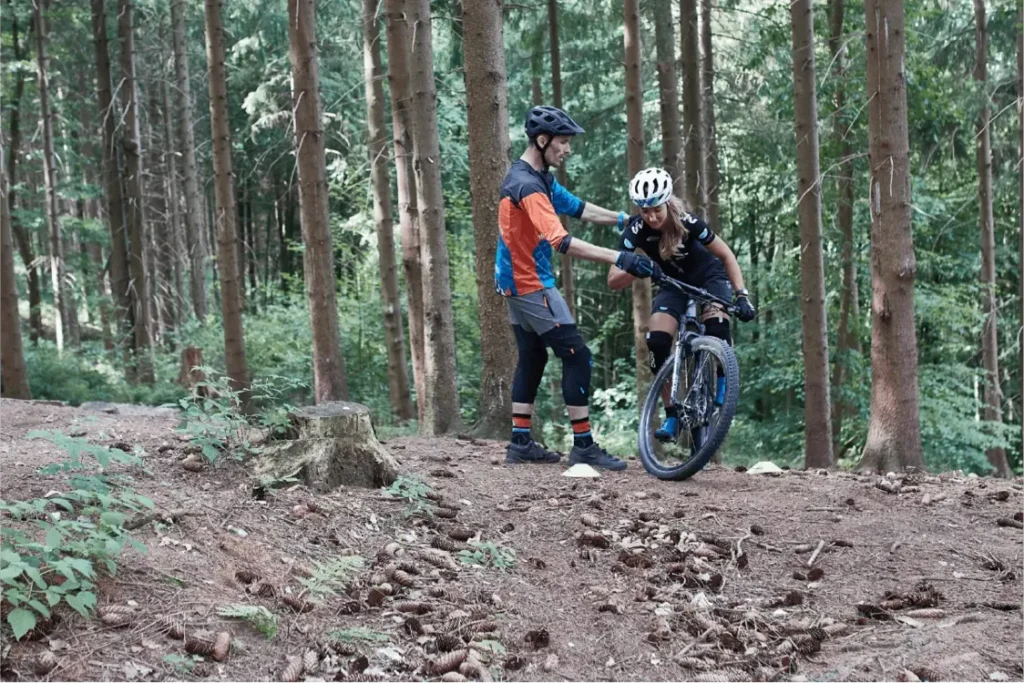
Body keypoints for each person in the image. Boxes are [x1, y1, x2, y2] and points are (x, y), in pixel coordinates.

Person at [496, 105, 661, 470]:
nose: (567, 149)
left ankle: (520, 442)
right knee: (578, 357)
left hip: (512, 282)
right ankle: (584, 445)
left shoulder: (537, 177)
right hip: (531, 285)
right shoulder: (527, 187)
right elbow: (562, 241)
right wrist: (621, 258)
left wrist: (626, 219)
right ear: (542, 141)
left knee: (534, 355)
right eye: (563, 142)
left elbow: (579, 208)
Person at [607, 167, 755, 441]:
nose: (651, 217)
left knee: (716, 325)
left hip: (708, 276)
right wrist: (637, 266)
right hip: (672, 282)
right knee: (656, 342)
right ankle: (672, 413)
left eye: (656, 210)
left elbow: (726, 255)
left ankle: (725, 378)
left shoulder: (689, 222)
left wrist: (741, 294)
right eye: (644, 210)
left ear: (667, 203)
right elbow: (613, 280)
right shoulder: (635, 231)